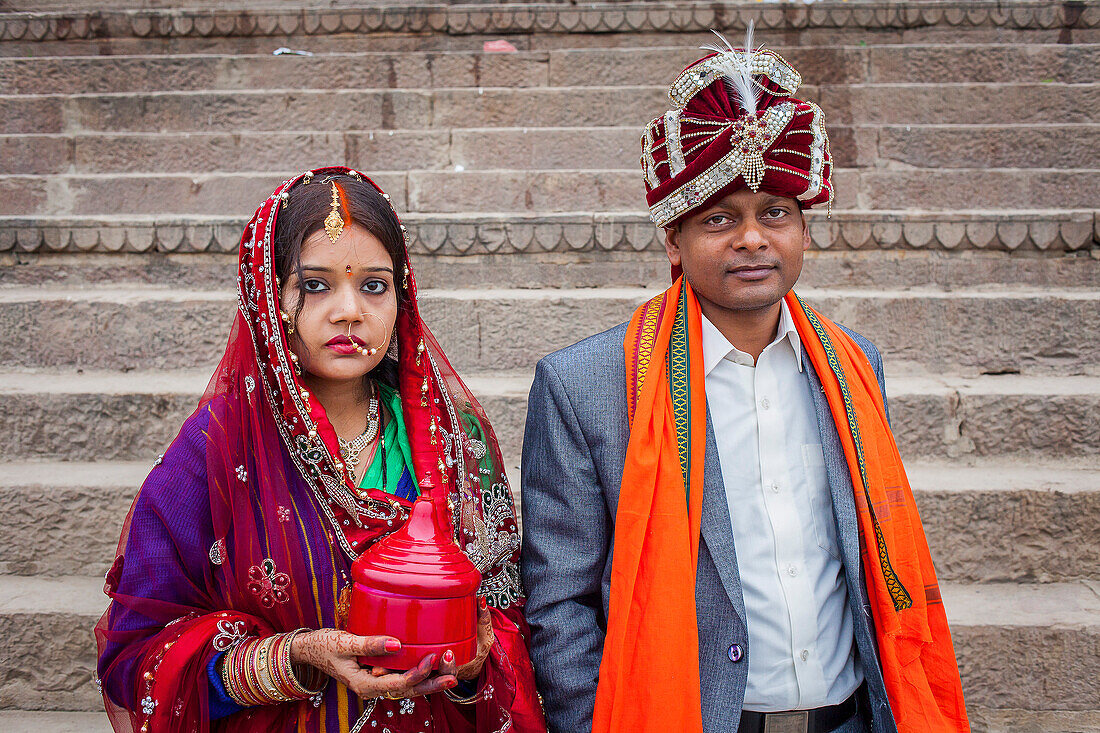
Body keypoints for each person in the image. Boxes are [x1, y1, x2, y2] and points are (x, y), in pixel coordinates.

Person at [519, 34, 969, 733]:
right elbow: (558, 603)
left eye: (776, 214)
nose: (753, 239)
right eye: (720, 218)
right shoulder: (586, 386)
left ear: (804, 231)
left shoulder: (854, 367)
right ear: (673, 240)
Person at [96, 166, 547, 733]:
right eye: (315, 285)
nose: (349, 311)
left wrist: (476, 653)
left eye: (374, 285)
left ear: (400, 300)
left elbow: (508, 613)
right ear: (270, 295)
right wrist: (294, 657)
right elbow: (138, 657)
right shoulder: (214, 453)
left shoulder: (450, 439)